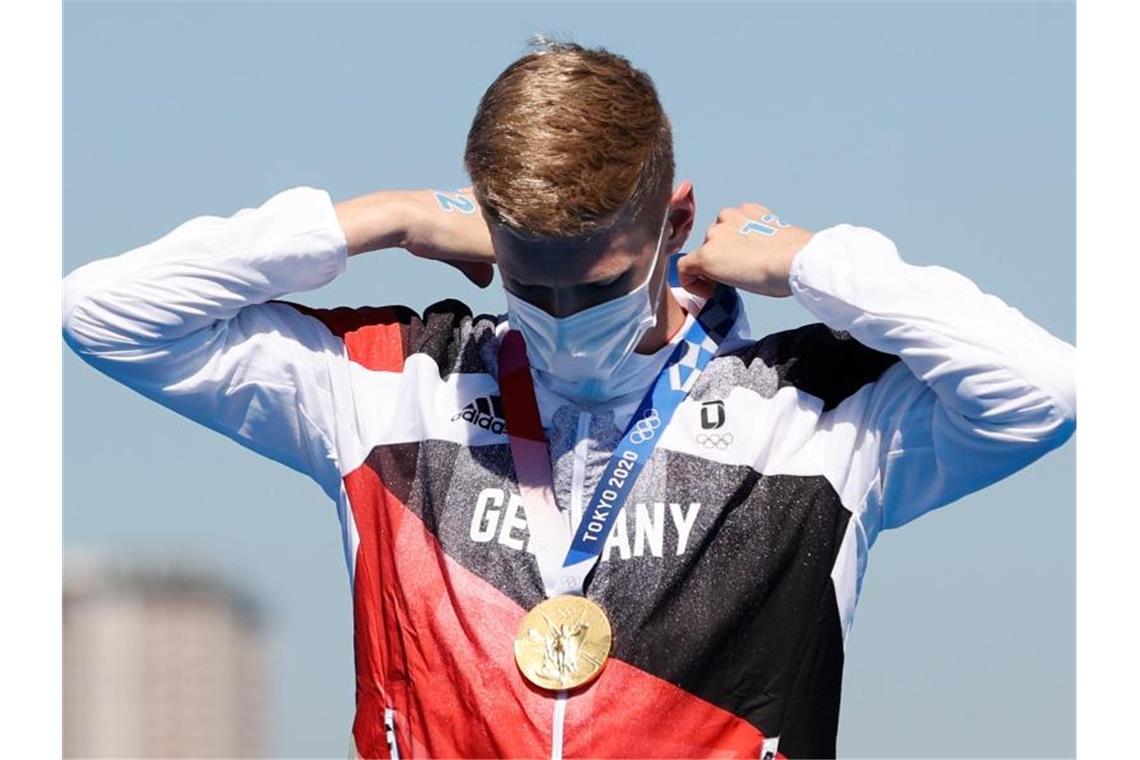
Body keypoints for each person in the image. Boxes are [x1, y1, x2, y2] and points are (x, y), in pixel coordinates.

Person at [61, 38, 1076, 760]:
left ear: (673, 219)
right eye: (526, 282)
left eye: (592, 284)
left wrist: (815, 262)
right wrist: (383, 218)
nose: (559, 314)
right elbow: (105, 314)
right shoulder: (391, 383)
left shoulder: (812, 411)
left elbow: (1042, 392)